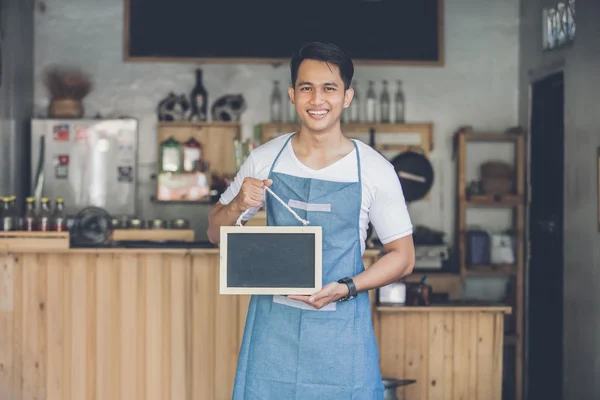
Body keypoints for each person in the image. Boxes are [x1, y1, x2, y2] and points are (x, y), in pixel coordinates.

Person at [207, 41, 415, 400]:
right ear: (292, 95)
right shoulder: (264, 159)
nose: (317, 100)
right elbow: (214, 232)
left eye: (329, 88)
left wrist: (346, 287)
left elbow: (403, 256)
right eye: (307, 88)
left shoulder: (375, 170)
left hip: (342, 331)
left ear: (347, 97)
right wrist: (239, 202)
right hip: (273, 331)